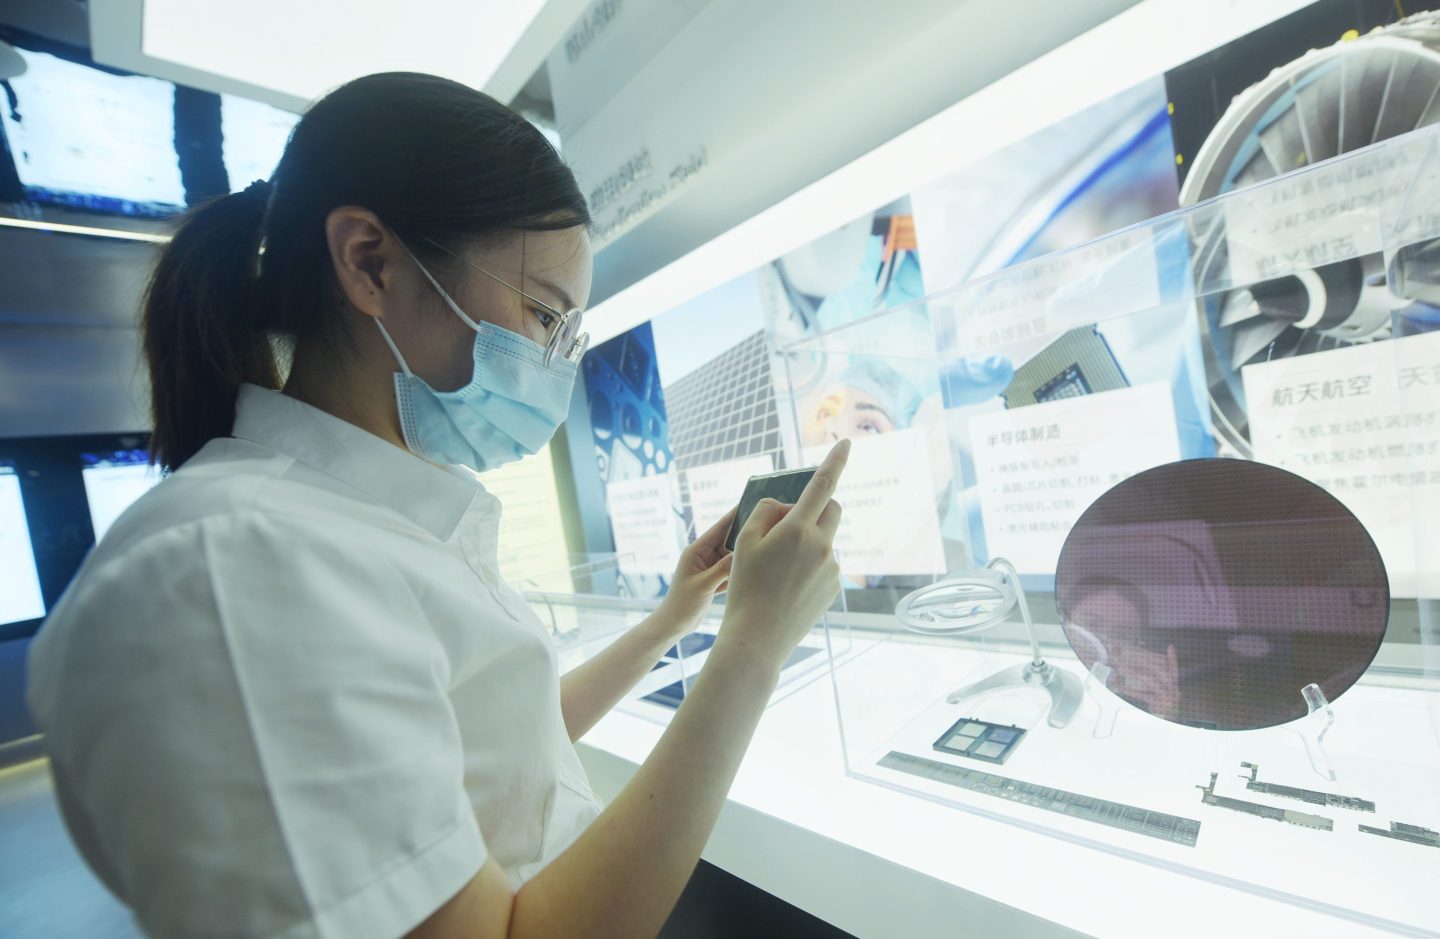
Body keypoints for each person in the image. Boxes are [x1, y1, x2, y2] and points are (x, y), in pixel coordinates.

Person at [26, 72, 849, 939]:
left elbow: (497, 749)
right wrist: (753, 648)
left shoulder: (356, 521)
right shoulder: (235, 566)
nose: (555, 366)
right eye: (542, 315)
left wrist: (674, 616)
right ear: (369, 262)